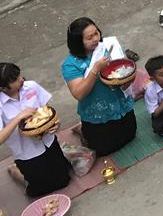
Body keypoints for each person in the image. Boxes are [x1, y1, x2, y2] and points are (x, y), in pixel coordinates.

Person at [61, 17, 136, 157]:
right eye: (90, 37)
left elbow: (124, 67)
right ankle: (83, 130)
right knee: (104, 149)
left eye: (96, 33)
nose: (96, 39)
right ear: (78, 41)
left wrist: (128, 80)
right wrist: (95, 69)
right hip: (99, 115)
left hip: (120, 106)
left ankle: (82, 129)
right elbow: (79, 93)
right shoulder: (70, 65)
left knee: (130, 135)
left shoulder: (107, 46)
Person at [0, 63, 72, 198]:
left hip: (48, 142)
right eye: (15, 80)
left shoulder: (30, 86)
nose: (21, 79)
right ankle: (16, 170)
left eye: (19, 75)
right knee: (40, 190)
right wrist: (18, 118)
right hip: (27, 153)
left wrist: (55, 124)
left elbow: (47, 111)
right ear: (3, 88)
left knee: (64, 180)